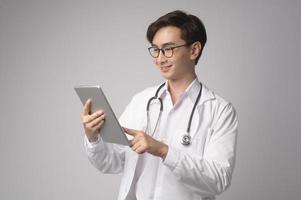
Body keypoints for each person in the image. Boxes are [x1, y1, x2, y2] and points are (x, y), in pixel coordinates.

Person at [81, 10, 238, 200]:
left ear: (194, 50)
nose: (159, 58)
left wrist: (164, 151)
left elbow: (218, 179)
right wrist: (93, 138)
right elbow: (111, 162)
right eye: (155, 49)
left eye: (168, 48)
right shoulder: (141, 101)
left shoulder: (219, 110)